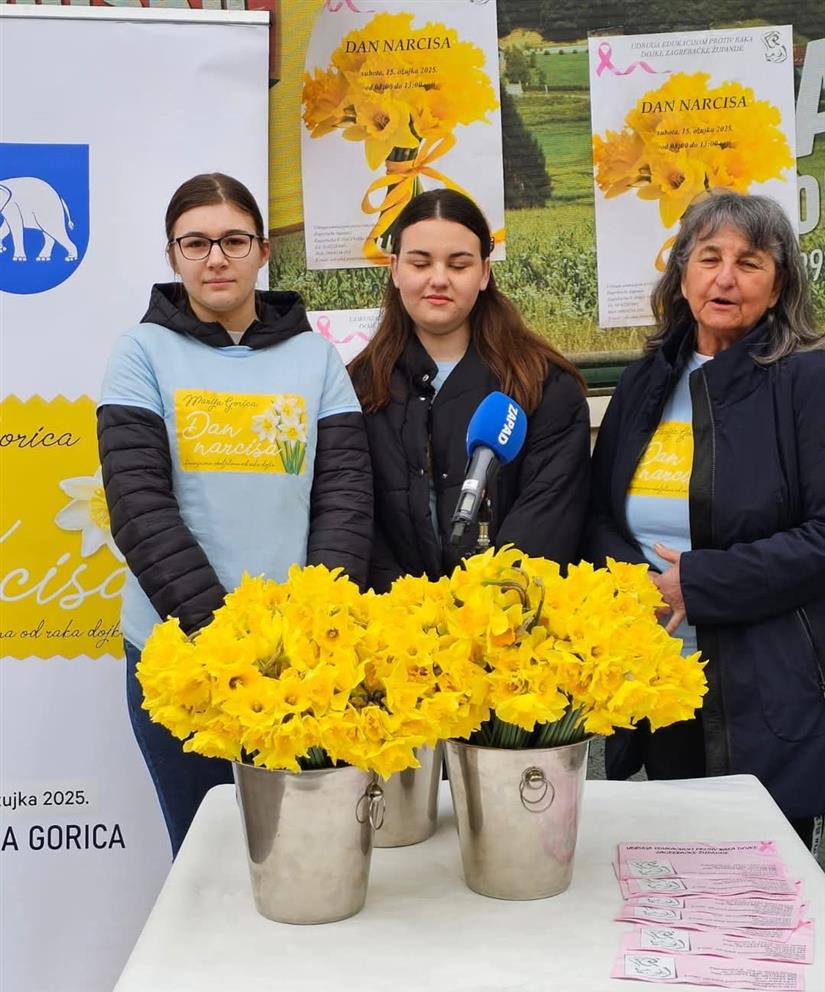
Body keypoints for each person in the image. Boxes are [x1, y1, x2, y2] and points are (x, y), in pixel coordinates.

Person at [98, 172, 373, 855]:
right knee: (203, 857)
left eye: (232, 240)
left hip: (297, 662)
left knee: (298, 856)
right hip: (178, 652)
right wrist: (222, 637)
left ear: (260, 252)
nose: (215, 258)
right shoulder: (140, 355)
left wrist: (306, 635)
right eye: (195, 243)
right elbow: (139, 508)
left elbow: (343, 501)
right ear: (172, 257)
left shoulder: (315, 360)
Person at [584, 189, 825, 853]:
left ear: (778, 287)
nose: (723, 277)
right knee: (669, 888)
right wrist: (636, 581)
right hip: (659, 674)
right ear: (681, 273)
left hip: (764, 686)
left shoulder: (806, 382)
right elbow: (601, 513)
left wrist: (699, 584)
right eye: (708, 257)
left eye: (748, 263)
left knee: (758, 904)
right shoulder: (643, 382)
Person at [349, 188, 590, 591]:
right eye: (420, 263)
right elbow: (355, 519)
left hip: (508, 629)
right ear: (393, 269)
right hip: (393, 631)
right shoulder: (358, 388)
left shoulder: (541, 385)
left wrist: (479, 612)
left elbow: (548, 519)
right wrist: (409, 615)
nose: (438, 279)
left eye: (458, 265)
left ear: (484, 273)